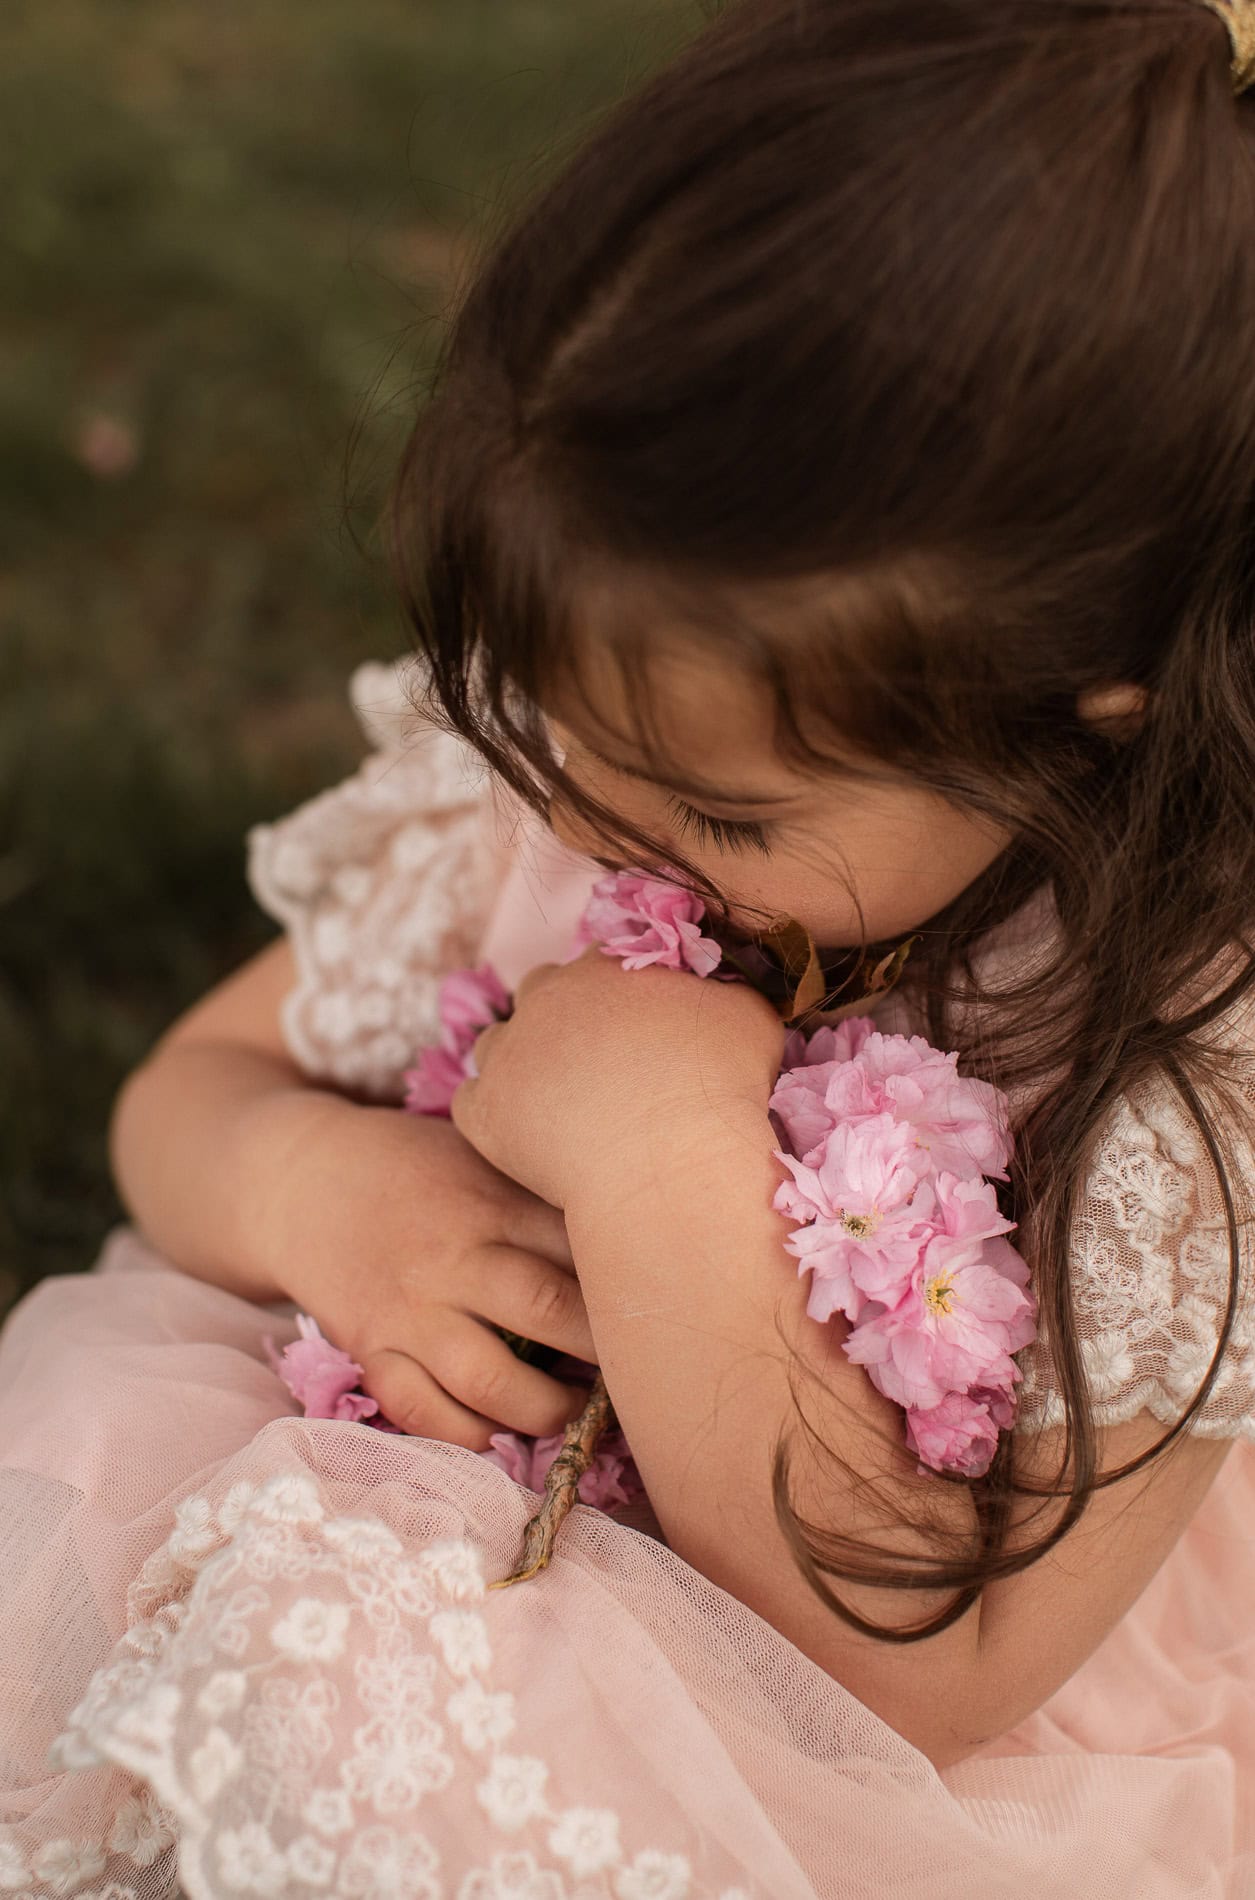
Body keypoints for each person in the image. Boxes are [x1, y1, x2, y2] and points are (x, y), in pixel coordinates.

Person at [4, 0, 1255, 1892]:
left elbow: (934, 1677)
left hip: (829, 1751)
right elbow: (186, 1090)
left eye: (722, 818)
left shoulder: (1192, 1054)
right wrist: (326, 1188)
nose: (588, 824)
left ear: (1089, 708)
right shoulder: (626, 726)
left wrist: (664, 1161)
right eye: (549, 735)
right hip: (430, 1501)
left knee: (379, 1729)